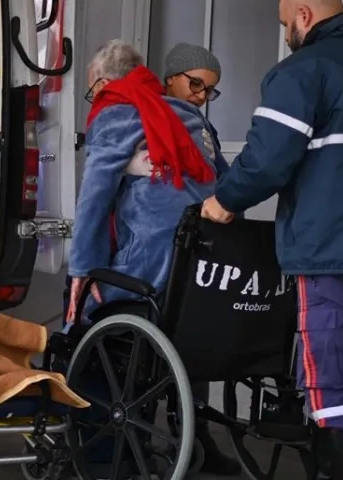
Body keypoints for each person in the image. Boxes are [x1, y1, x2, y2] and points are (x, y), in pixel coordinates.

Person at [199, 1, 343, 479]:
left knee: (337, 380)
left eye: (286, 24)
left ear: (303, 15)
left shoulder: (304, 71)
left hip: (333, 251)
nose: (286, 34)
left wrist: (222, 201)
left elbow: (266, 160)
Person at [65, 39, 229, 477]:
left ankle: (102, 458)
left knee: (81, 327)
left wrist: (79, 272)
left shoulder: (116, 112)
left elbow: (94, 203)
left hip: (153, 273)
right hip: (205, 277)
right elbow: (229, 193)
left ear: (102, 83)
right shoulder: (195, 122)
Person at [159, 42, 241, 477]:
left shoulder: (204, 129)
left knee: (199, 336)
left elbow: (224, 178)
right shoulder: (146, 116)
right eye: (195, 84)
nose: (200, 95)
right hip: (159, 249)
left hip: (198, 247)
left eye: (209, 90)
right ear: (170, 77)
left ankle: (197, 433)